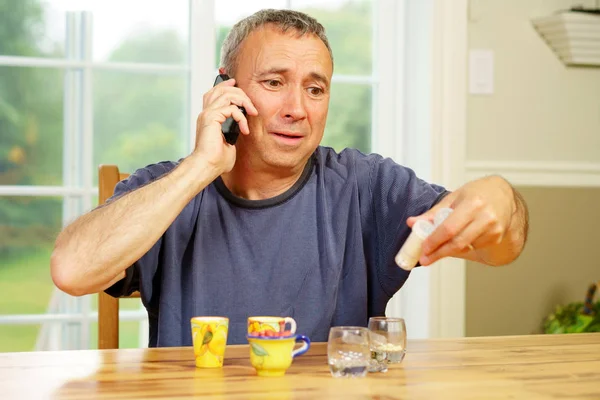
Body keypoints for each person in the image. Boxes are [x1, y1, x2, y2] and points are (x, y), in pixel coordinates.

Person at [50, 9, 529, 346]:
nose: (297, 110)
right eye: (274, 82)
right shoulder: (168, 189)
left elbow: (502, 248)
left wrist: (501, 199)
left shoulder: (363, 186)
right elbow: (71, 271)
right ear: (226, 89)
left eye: (315, 89)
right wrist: (200, 167)